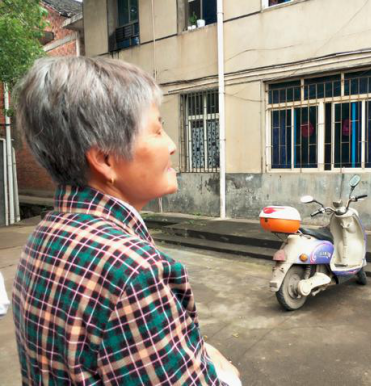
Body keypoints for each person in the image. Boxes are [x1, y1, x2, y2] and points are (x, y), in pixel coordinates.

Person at [11, 57, 240, 386]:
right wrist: (224, 374)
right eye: (158, 129)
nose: (173, 145)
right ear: (105, 159)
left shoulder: (45, 236)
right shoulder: (132, 271)